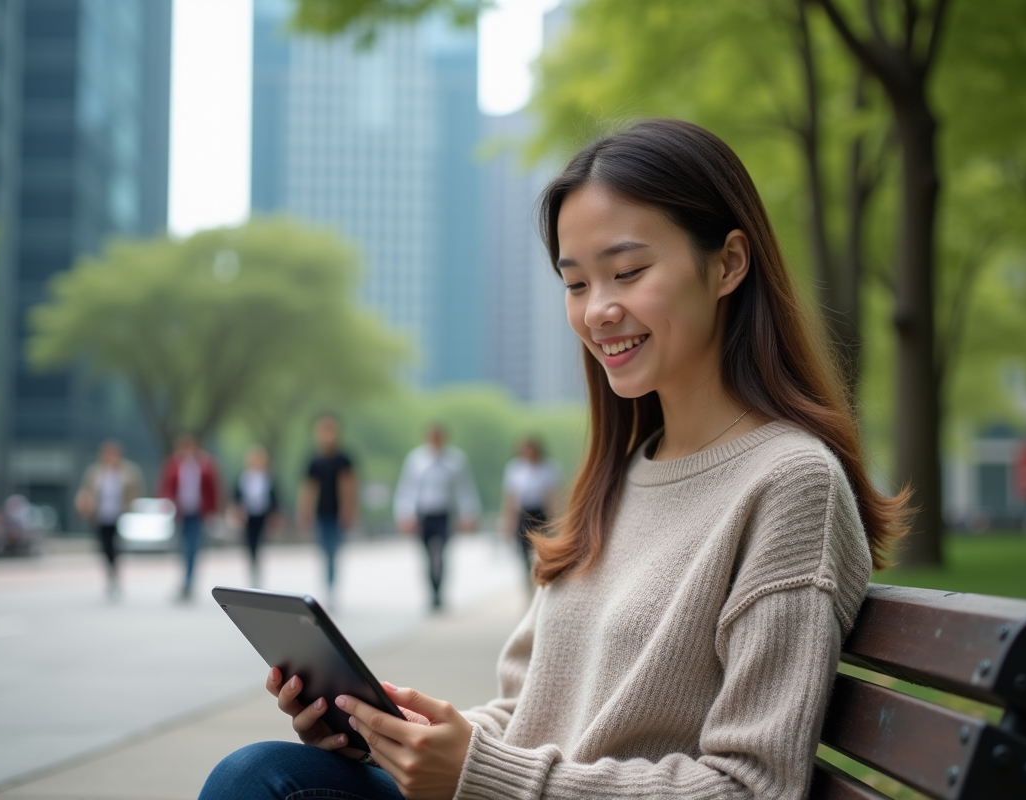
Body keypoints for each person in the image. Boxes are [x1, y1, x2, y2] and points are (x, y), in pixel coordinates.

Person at [199, 118, 908, 800]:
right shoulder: (624, 473)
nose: (597, 310)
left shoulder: (790, 485)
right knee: (262, 774)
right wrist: (402, 736)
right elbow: (526, 717)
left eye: (627, 271)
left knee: (256, 783)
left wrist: (482, 777)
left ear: (727, 264)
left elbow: (754, 787)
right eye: (575, 283)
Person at [392, 425, 481, 611]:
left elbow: (464, 489)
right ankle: (431, 591)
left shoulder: (455, 461)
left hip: (444, 513)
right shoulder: (416, 460)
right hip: (423, 513)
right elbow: (407, 489)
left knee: (440, 553)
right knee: (427, 555)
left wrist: (469, 513)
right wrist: (404, 514)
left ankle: (440, 591)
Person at [298, 415, 358, 604]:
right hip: (321, 512)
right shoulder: (314, 460)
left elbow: (349, 486)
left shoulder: (343, 459)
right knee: (323, 550)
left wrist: (349, 510)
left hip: (337, 513)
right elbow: (308, 487)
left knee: (334, 550)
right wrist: (305, 510)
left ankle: (331, 587)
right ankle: (326, 585)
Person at [76, 439, 144, 599]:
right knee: (105, 547)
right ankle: (111, 573)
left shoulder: (128, 471)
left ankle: (115, 574)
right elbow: (86, 492)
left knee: (116, 547)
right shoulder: (95, 473)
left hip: (120, 516)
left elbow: (136, 492)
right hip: (101, 516)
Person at [158, 434, 220, 601]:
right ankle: (185, 579)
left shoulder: (204, 464)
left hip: (198, 512)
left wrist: (213, 511)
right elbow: (166, 486)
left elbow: (213, 488)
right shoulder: (174, 464)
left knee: (193, 546)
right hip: (181, 512)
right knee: (183, 546)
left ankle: (189, 581)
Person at [499, 437, 560, 582]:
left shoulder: (548, 468)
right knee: (524, 550)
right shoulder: (514, 469)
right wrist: (508, 523)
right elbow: (510, 498)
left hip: (540, 514)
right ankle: (529, 579)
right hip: (523, 514)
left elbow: (552, 497)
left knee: (541, 549)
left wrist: (556, 521)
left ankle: (541, 576)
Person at [232, 445, 280, 588]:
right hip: (248, 516)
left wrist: (274, 515)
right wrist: (237, 511)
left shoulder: (268, 477)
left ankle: (258, 569)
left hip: (262, 516)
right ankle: (252, 569)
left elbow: (274, 498)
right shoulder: (244, 477)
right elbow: (237, 497)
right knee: (250, 544)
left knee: (260, 543)